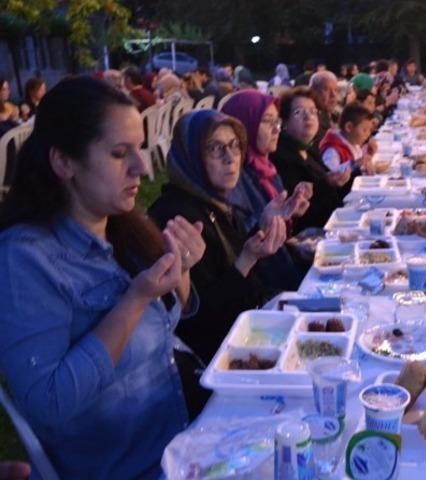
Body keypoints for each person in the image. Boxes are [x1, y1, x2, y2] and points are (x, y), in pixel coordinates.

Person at [0, 76, 204, 479]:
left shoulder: (119, 225)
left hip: (186, 440)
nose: (142, 167)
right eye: (119, 153)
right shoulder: (24, 260)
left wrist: (180, 271)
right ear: (64, 163)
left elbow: (168, 321)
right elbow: (50, 401)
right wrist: (134, 300)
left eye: (139, 149)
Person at [149, 110, 286, 363]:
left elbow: (230, 258)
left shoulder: (214, 202)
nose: (230, 157)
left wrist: (263, 226)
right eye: (214, 148)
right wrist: (247, 259)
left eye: (235, 146)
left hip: (248, 335)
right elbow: (203, 322)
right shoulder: (178, 217)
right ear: (190, 156)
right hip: (223, 360)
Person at [222, 90, 311, 290]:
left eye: (277, 122)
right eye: (267, 121)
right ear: (243, 126)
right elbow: (238, 239)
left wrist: (289, 211)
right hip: (263, 287)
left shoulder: (266, 167)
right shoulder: (233, 178)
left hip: (283, 269)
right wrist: (265, 222)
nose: (276, 129)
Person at [271, 87, 347, 232]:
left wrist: (355, 173)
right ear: (284, 122)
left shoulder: (308, 149)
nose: (308, 117)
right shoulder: (281, 156)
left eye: (313, 111)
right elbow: (301, 211)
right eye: (298, 112)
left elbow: (330, 186)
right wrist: (327, 183)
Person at [319, 103, 375, 178]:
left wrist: (369, 155)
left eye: (369, 130)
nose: (368, 134)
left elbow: (359, 164)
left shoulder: (352, 143)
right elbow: (329, 174)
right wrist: (354, 164)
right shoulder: (332, 150)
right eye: (364, 130)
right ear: (349, 127)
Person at [309, 70, 340, 146]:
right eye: (326, 89)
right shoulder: (311, 120)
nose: (333, 95)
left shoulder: (336, 115)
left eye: (336, 90)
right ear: (313, 92)